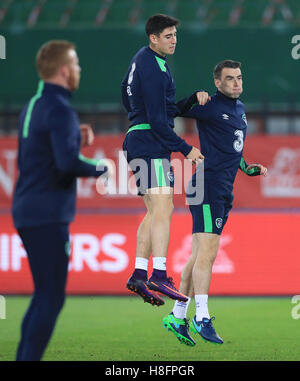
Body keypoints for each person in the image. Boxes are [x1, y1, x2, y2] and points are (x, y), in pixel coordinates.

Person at [12, 40, 111, 361]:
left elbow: (38, 154)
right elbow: (66, 164)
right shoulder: (60, 110)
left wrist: (70, 137)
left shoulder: (34, 106)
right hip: (47, 213)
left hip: (28, 208)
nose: (80, 70)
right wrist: (102, 168)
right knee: (52, 297)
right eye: (77, 65)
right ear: (65, 70)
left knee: (43, 295)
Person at [162, 60, 267, 346]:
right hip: (205, 185)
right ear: (218, 83)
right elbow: (172, 111)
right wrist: (194, 97)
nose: (236, 82)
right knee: (208, 254)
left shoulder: (240, 110)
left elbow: (234, 148)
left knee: (198, 257)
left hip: (222, 188)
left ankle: (177, 315)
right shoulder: (209, 105)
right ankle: (202, 317)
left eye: (239, 77)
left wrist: (247, 168)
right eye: (230, 78)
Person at [121, 14, 209, 306]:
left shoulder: (142, 60)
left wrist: (190, 100)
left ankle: (137, 274)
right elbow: (160, 122)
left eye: (175, 35)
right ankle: (158, 273)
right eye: (168, 35)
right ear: (153, 38)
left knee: (153, 210)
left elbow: (128, 93)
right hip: (149, 142)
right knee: (164, 206)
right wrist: (186, 149)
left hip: (138, 137)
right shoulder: (156, 67)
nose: (174, 40)